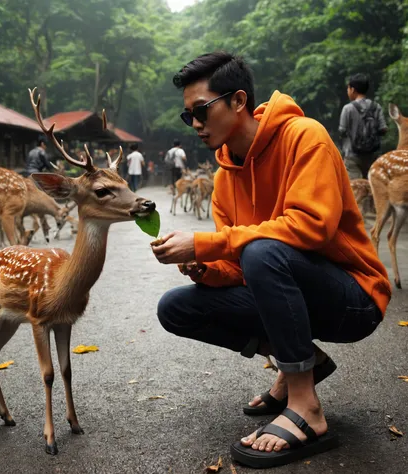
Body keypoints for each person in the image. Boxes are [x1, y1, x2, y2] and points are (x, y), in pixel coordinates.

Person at [151, 52, 391, 468]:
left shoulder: (305, 136)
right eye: (186, 115)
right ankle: (306, 363)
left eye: (201, 111)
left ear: (238, 100)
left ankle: (305, 406)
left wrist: (208, 243)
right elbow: (238, 268)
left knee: (262, 250)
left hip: (353, 298)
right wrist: (204, 267)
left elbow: (309, 227)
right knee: (176, 307)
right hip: (288, 290)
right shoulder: (225, 176)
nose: (194, 124)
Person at [339, 73, 387, 179]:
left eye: (348, 88)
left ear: (352, 89)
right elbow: (383, 129)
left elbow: (342, 131)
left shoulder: (348, 108)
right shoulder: (376, 107)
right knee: (373, 188)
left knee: (357, 190)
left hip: (352, 156)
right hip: (374, 156)